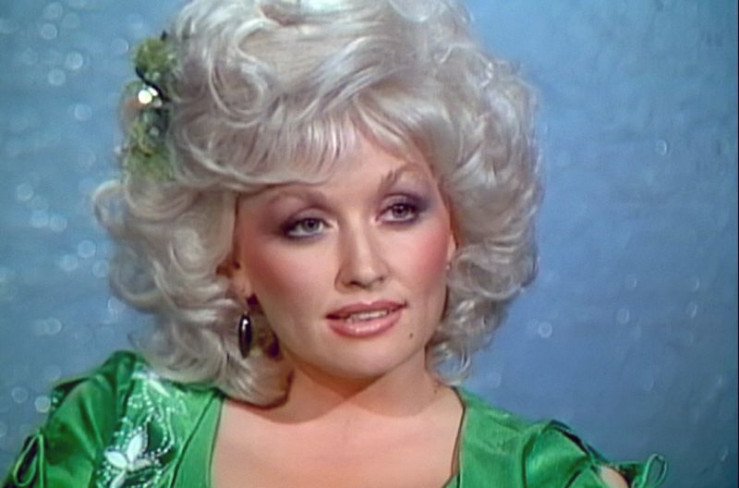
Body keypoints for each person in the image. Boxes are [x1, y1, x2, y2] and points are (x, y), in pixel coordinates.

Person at [3, 0, 666, 486]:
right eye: (305, 225)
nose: (364, 268)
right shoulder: (113, 434)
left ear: (456, 228)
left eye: (399, 210)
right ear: (230, 258)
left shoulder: (544, 480)